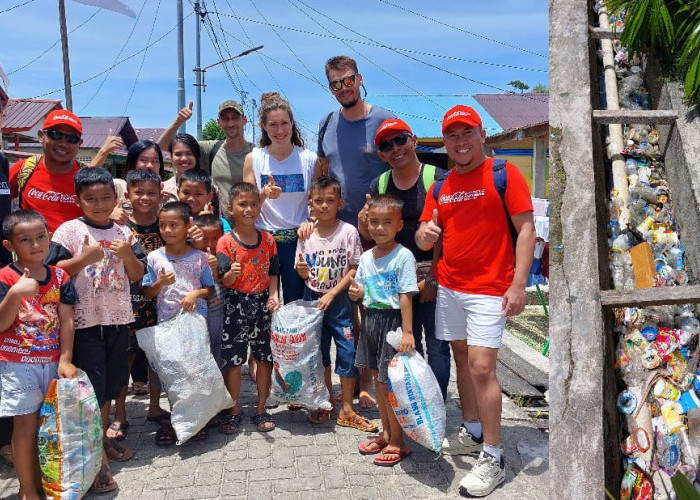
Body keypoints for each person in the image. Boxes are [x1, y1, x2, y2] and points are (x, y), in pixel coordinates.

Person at [415, 105, 536, 497]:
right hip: (450, 287)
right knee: (462, 362)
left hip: (489, 289)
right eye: (453, 135)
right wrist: (426, 235)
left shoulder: (504, 175)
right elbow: (423, 235)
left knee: (483, 369)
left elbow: (527, 231)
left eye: (467, 133)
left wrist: (518, 285)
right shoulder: (441, 186)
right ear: (445, 141)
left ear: (482, 135)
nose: (460, 141)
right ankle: (471, 429)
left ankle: (494, 456)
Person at [47, 167, 145, 492]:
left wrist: (129, 253)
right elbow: (53, 273)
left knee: (112, 385)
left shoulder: (123, 232)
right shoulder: (68, 231)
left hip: (118, 320)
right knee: (92, 387)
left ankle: (101, 440)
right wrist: (83, 259)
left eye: (106, 198)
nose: (99, 205)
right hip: (85, 325)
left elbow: (135, 275)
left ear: (116, 199)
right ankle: (98, 460)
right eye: (91, 199)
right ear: (79, 201)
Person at [317, 55, 396, 408]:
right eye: (335, 83)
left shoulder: (383, 120)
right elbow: (323, 173)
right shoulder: (327, 123)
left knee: (375, 308)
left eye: (348, 81)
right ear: (330, 88)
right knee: (348, 310)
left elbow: (401, 162)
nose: (343, 88)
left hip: (376, 233)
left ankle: (371, 381)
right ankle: (346, 380)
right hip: (337, 233)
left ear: (359, 79)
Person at [359, 118, 451, 401]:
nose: (395, 148)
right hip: (394, 280)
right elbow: (371, 229)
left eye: (400, 140)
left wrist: (434, 277)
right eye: (387, 145)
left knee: (436, 346)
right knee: (409, 344)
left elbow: (447, 232)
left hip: (431, 270)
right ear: (381, 155)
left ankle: (437, 403)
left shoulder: (438, 178)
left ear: (412, 140)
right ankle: (416, 403)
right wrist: (363, 220)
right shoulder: (380, 184)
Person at [0, 210, 78, 499]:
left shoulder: (60, 276)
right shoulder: (6, 277)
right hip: (17, 364)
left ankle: (52, 482)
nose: (35, 245)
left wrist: (65, 358)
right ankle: (27, 489)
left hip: (51, 361)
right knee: (24, 425)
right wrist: (15, 294)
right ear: (10, 246)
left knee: (52, 425)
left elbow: (67, 319)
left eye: (41, 237)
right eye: (25, 240)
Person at [294, 176, 376, 432]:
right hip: (312, 300)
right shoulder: (305, 234)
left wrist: (333, 293)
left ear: (340, 203)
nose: (325, 206)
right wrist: (301, 271)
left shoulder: (348, 231)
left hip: (340, 301)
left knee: (348, 351)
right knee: (318, 353)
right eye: (319, 201)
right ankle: (326, 401)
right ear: (310, 203)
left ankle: (347, 409)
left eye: (330, 200)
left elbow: (355, 267)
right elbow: (302, 270)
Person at [348, 195, 418, 466]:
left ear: (399, 225)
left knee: (391, 384)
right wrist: (356, 293)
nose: (379, 228)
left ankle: (399, 440)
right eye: (374, 222)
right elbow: (363, 292)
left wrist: (408, 332)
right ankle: (386, 432)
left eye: (387, 223)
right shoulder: (366, 257)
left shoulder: (403, 256)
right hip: (372, 321)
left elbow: (405, 296)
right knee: (378, 380)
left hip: (393, 324)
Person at [142, 201, 215, 445]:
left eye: (174, 225)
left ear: (188, 226)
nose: (168, 230)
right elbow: (147, 294)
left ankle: (199, 419)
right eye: (163, 225)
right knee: (173, 372)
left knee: (195, 369)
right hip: (167, 323)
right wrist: (160, 284)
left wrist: (196, 294)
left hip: (195, 323)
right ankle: (178, 419)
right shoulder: (154, 258)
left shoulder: (200, 258)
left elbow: (210, 289)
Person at [109, 169, 172, 443]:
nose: (145, 198)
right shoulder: (120, 226)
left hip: (162, 303)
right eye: (139, 192)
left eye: (151, 193)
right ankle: (120, 413)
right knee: (125, 358)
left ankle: (156, 406)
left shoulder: (167, 224)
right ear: (127, 195)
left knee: (156, 358)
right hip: (126, 304)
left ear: (161, 196)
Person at [243, 92, 322, 304]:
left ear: (292, 123)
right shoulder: (254, 158)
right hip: (262, 242)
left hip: (297, 242)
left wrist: (311, 221)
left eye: (284, 123)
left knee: (295, 303)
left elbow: (317, 203)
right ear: (263, 126)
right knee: (262, 302)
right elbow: (246, 209)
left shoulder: (309, 159)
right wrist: (263, 195)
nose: (280, 131)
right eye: (273, 125)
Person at [216, 182, 280, 434]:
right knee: (234, 360)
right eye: (242, 204)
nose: (249, 209)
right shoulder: (225, 242)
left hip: (263, 304)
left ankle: (261, 407)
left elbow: (274, 272)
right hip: (235, 305)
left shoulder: (268, 239)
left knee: (265, 357)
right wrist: (230, 274)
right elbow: (224, 279)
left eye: (254, 204)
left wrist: (274, 295)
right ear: (231, 208)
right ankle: (233, 409)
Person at [158, 100, 254, 220]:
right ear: (218, 122)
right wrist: (179, 121)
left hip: (248, 224)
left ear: (244, 120)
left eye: (235, 118)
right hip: (218, 225)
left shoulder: (256, 153)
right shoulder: (211, 148)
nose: (230, 123)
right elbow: (163, 145)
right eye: (225, 119)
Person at [9, 110, 85, 232]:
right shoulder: (25, 169)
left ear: (79, 143)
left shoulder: (87, 177)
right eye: (55, 135)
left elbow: (109, 207)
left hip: (77, 250)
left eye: (72, 139)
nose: (63, 143)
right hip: (33, 249)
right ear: (41, 136)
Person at [194, 213, 225, 369]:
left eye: (215, 239)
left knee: (218, 345)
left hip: (217, 312)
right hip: (197, 314)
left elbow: (225, 281)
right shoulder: (191, 257)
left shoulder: (224, 257)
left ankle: (219, 383)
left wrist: (215, 270)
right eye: (204, 239)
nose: (210, 244)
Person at [178, 168, 231, 233]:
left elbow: (227, 241)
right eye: (186, 193)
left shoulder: (220, 223)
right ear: (178, 192)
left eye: (198, 194)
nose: (191, 198)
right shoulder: (171, 220)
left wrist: (208, 222)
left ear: (209, 197)